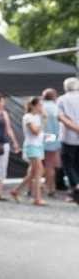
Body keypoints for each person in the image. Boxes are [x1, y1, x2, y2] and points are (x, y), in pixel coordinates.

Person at [11, 97, 48, 206]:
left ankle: (16, 190)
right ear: (33, 106)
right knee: (39, 171)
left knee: (33, 173)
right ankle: (37, 198)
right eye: (39, 105)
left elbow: (37, 133)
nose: (41, 108)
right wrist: (44, 121)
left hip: (37, 145)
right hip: (32, 146)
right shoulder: (28, 117)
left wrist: (44, 135)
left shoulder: (36, 117)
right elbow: (35, 132)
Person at [57, 77, 79, 205]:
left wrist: (74, 127)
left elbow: (60, 117)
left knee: (68, 164)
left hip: (68, 137)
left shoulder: (62, 99)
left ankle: (76, 186)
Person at [42, 88, 61, 196]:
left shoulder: (40, 107)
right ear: (54, 97)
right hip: (53, 138)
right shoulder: (56, 108)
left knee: (36, 164)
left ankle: (31, 188)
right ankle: (50, 188)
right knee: (50, 165)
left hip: (40, 138)